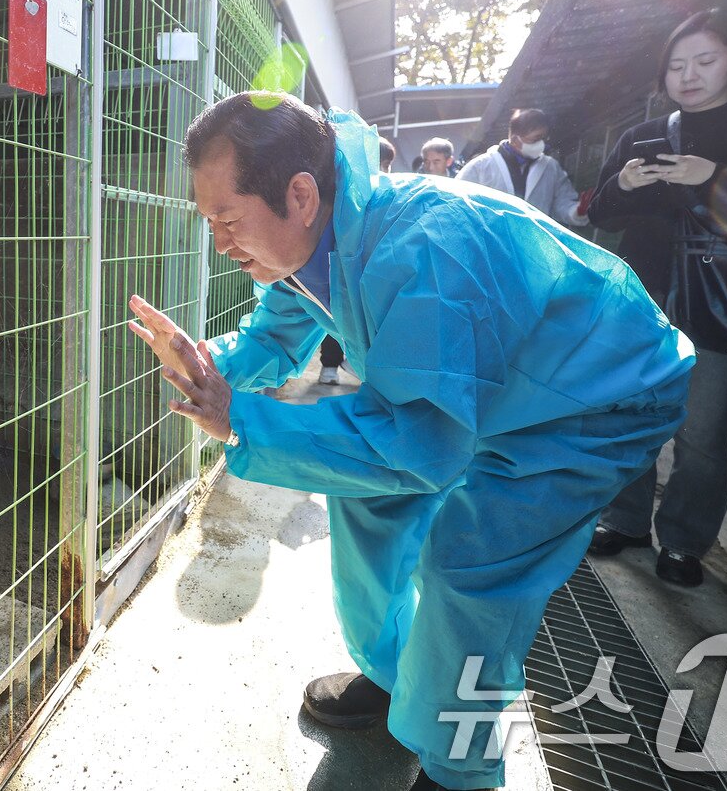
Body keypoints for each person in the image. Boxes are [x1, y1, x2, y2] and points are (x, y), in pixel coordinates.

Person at [127, 91, 692, 791]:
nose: (219, 241)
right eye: (208, 220)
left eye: (228, 219)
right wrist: (208, 366)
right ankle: (396, 677)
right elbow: (272, 336)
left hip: (597, 393)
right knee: (365, 503)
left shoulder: (423, 249)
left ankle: (461, 771)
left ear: (299, 194)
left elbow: (421, 448)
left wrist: (241, 419)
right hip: (501, 385)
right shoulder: (322, 239)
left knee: (473, 566)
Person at [585, 7, 727, 587]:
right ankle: (627, 519)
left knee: (704, 429)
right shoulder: (642, 134)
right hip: (642, 293)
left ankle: (685, 542)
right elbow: (601, 213)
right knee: (630, 414)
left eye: (705, 61)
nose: (687, 75)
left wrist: (712, 178)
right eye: (676, 65)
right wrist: (622, 186)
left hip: (725, 298)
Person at [321, 136, 398, 385]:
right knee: (334, 315)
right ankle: (331, 365)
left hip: (367, 272)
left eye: (387, 164)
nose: (384, 170)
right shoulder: (348, 193)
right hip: (340, 268)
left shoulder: (387, 194)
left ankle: (356, 365)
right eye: (380, 162)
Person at [457, 109, 591, 228]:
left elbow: (562, 203)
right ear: (515, 140)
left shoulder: (551, 167)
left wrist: (576, 211)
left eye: (544, 138)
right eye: (535, 139)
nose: (542, 144)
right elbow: (458, 204)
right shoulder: (480, 167)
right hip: (492, 244)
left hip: (535, 244)